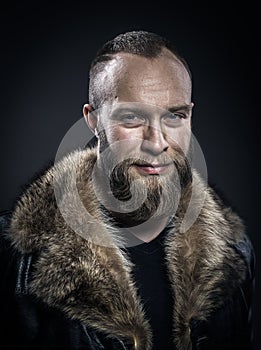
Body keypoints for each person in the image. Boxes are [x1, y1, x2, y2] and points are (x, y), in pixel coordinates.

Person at [0, 30, 255, 350]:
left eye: (175, 116)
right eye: (132, 117)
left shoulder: (233, 249)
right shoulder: (17, 255)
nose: (158, 142)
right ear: (93, 120)